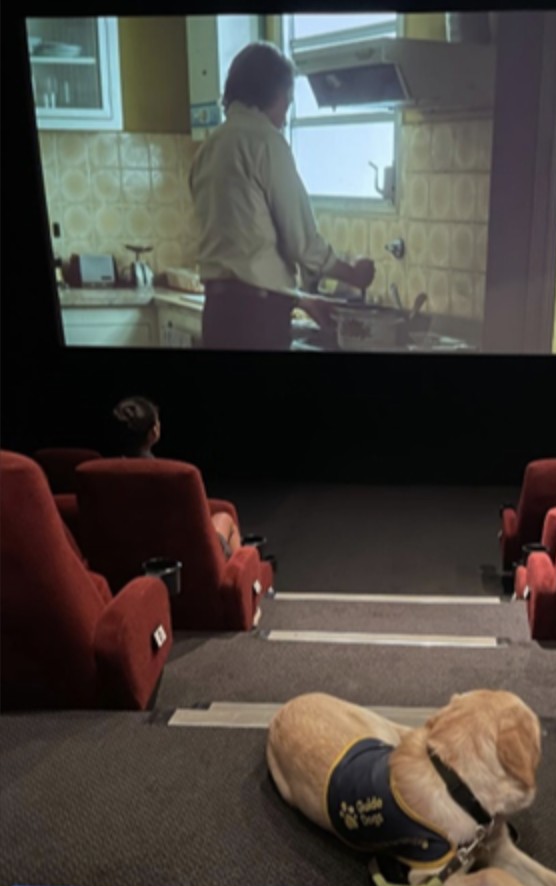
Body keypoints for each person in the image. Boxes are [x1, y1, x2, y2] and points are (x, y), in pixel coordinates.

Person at [189, 42, 375, 351]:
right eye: (286, 105)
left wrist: (301, 299)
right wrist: (352, 274)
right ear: (271, 96)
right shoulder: (266, 142)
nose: (284, 119)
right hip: (257, 323)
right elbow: (302, 243)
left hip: (217, 314)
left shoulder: (207, 149)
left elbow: (244, 252)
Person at [112, 396, 240, 558]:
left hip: (127, 553)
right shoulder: (172, 475)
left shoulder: (97, 475)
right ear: (153, 433)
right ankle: (241, 576)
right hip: (181, 555)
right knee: (225, 518)